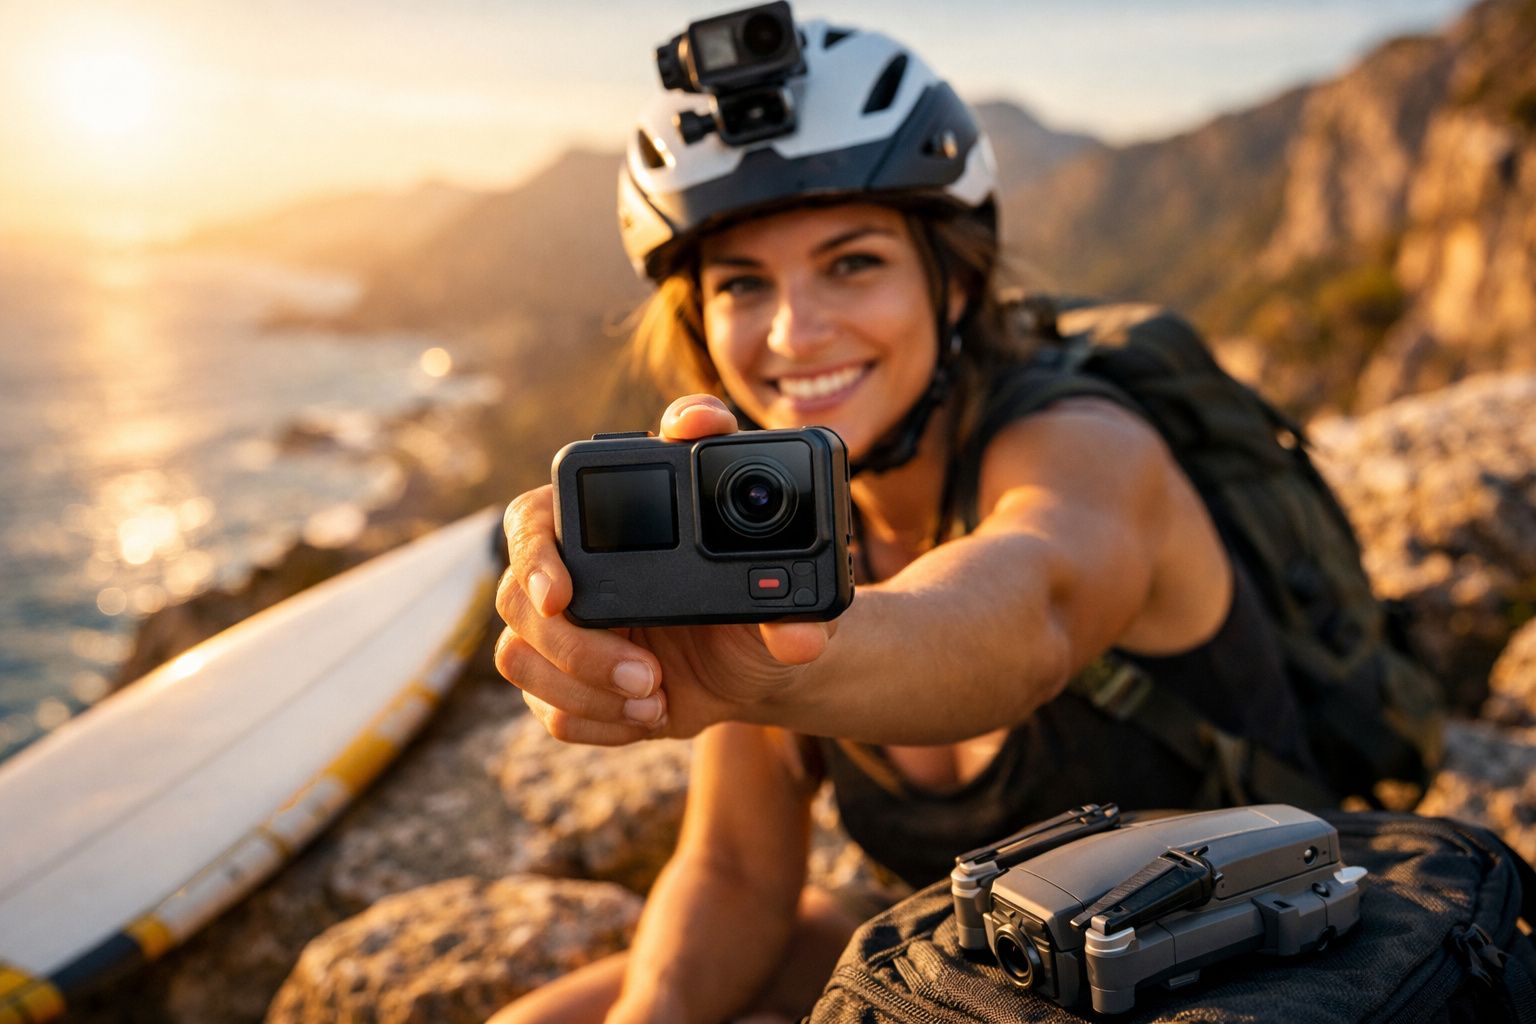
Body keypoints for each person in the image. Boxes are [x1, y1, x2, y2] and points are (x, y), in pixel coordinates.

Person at [487, 9, 1343, 1023]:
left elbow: (1023, 620)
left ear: (955, 280)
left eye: (853, 263)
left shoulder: (1089, 450)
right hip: (987, 962)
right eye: (742, 283)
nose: (795, 333)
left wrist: (791, 658)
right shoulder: (756, 522)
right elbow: (732, 872)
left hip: (1238, 972)